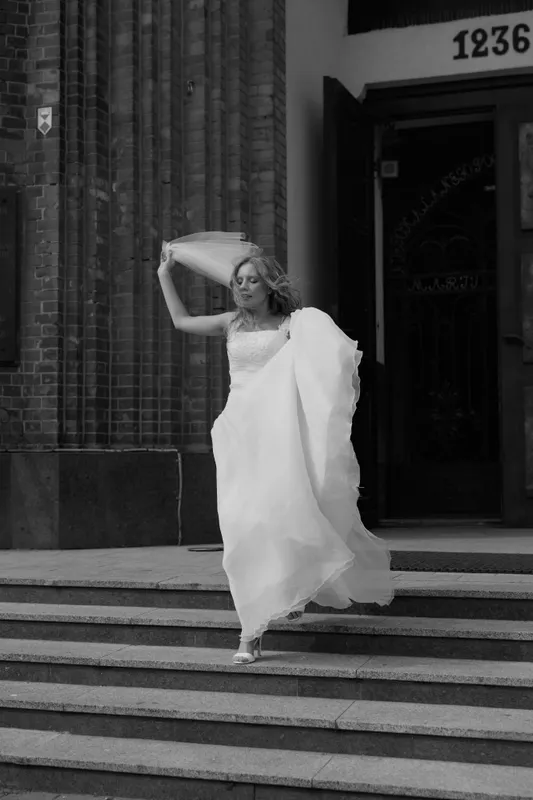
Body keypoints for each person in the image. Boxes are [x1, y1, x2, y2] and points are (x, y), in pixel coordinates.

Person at [158, 233, 394, 665]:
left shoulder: (295, 325)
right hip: (239, 433)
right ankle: (257, 618)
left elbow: (331, 367)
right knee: (242, 527)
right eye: (238, 281)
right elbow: (180, 322)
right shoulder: (231, 322)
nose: (243, 287)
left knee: (285, 516)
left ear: (269, 286)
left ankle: (255, 628)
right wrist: (164, 274)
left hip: (281, 435)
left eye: (251, 281)